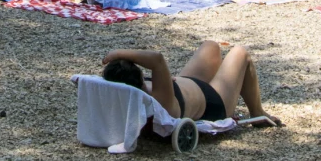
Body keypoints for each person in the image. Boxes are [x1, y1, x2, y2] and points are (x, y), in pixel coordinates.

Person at [99, 43, 278, 127]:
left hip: (189, 85)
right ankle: (257, 113)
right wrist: (117, 53)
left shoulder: (126, 92)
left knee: (211, 47)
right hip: (214, 102)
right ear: (139, 76)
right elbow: (157, 59)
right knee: (240, 53)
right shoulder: (158, 102)